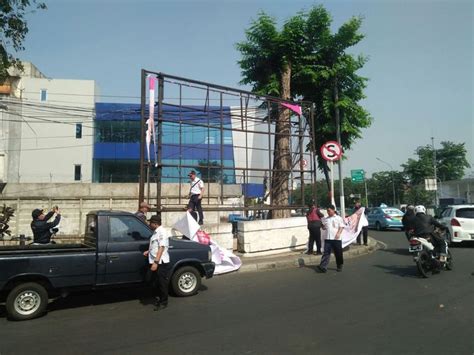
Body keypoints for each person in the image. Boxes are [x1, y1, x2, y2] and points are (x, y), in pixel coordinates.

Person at [143, 215, 171, 311]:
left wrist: (156, 262)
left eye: (150, 223)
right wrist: (148, 251)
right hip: (154, 260)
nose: (149, 224)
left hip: (160, 262)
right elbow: (155, 245)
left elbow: (161, 247)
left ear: (155, 223)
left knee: (162, 282)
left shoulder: (162, 232)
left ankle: (164, 302)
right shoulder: (156, 232)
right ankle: (158, 297)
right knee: (152, 280)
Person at [318, 205, 345, 273]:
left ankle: (339, 265)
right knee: (326, 253)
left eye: (329, 211)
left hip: (336, 238)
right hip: (328, 238)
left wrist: (338, 233)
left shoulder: (338, 218)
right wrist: (323, 227)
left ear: (333, 210)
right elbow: (324, 227)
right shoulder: (326, 219)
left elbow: (341, 226)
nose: (328, 212)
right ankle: (323, 267)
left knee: (338, 253)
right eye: (327, 211)